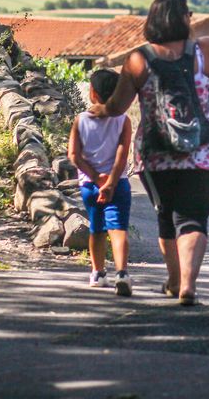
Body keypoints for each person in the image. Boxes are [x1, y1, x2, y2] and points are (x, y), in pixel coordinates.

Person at [91, 0, 209, 306]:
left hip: (156, 155)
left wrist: (101, 110)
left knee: (167, 216)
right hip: (202, 153)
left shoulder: (138, 59)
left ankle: (174, 281)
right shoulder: (201, 50)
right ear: (185, 19)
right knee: (193, 219)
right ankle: (188, 283)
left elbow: (118, 106)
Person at [68, 68, 134, 296]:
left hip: (89, 186)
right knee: (118, 228)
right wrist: (111, 182)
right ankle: (122, 273)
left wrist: (97, 179)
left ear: (92, 92)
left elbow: (74, 155)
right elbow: (122, 154)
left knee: (96, 229)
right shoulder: (123, 120)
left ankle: (97, 272)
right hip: (119, 185)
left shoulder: (80, 120)